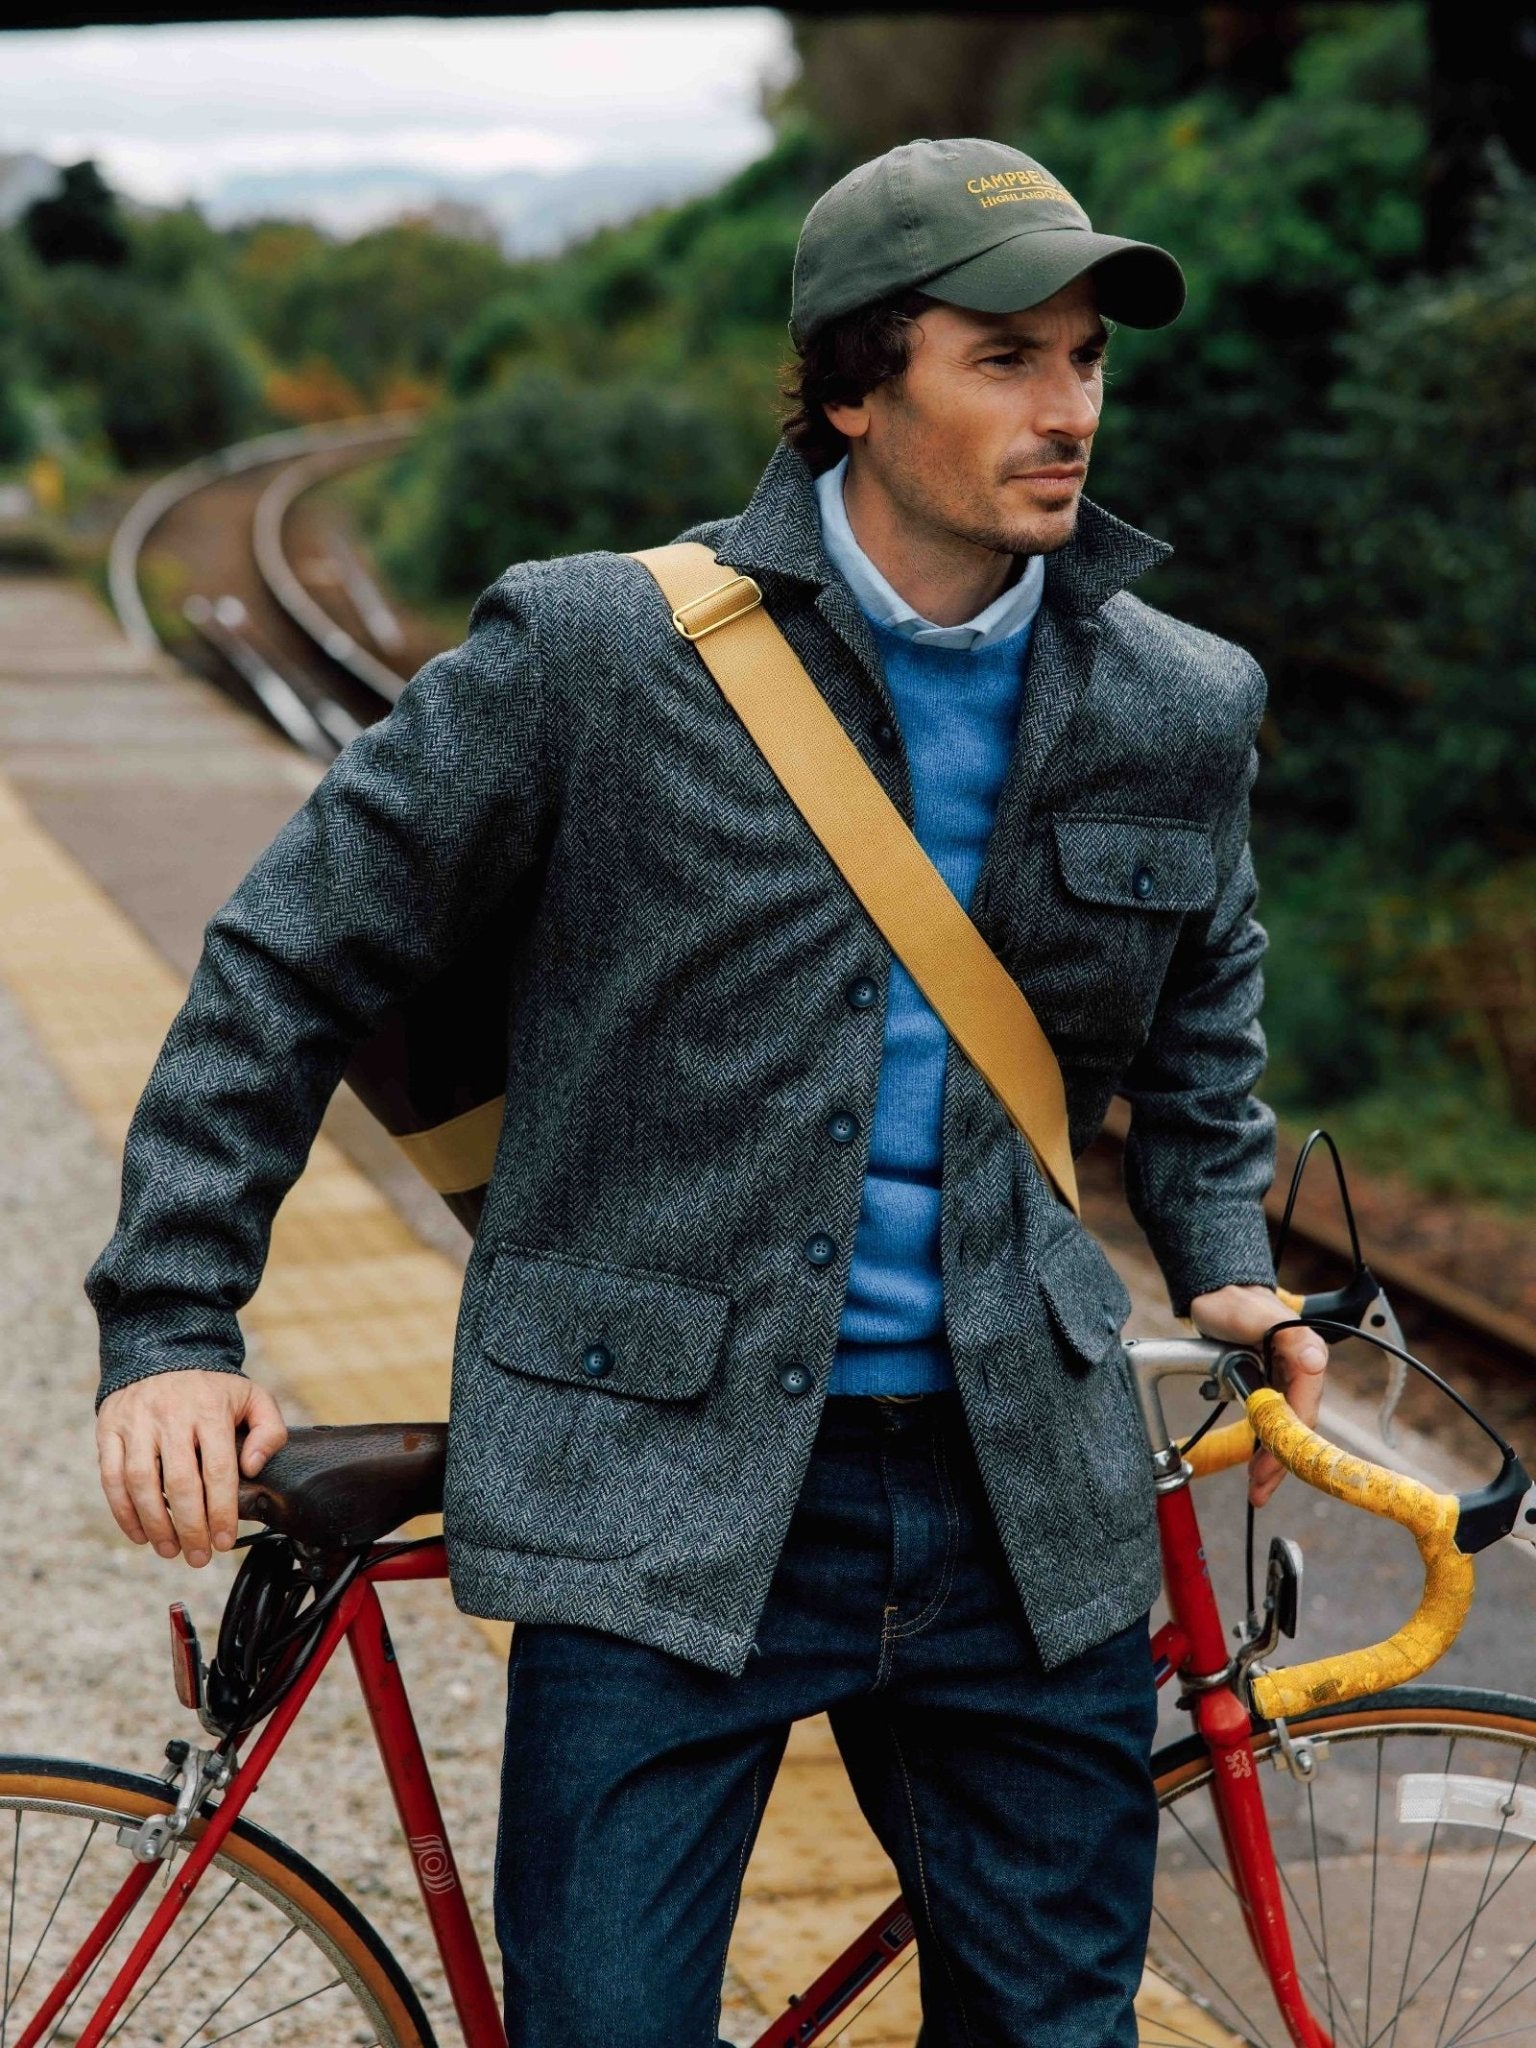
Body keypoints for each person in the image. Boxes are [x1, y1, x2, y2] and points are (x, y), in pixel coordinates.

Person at [86, 136, 1330, 2045]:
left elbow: (1200, 1015)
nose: (1069, 408)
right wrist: (172, 1319)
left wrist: (1227, 1251)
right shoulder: (599, 652)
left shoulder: (1179, 698)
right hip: (656, 1496)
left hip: (1025, 1497)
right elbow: (289, 954)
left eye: (1087, 359)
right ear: (853, 384)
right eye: (1007, 358)